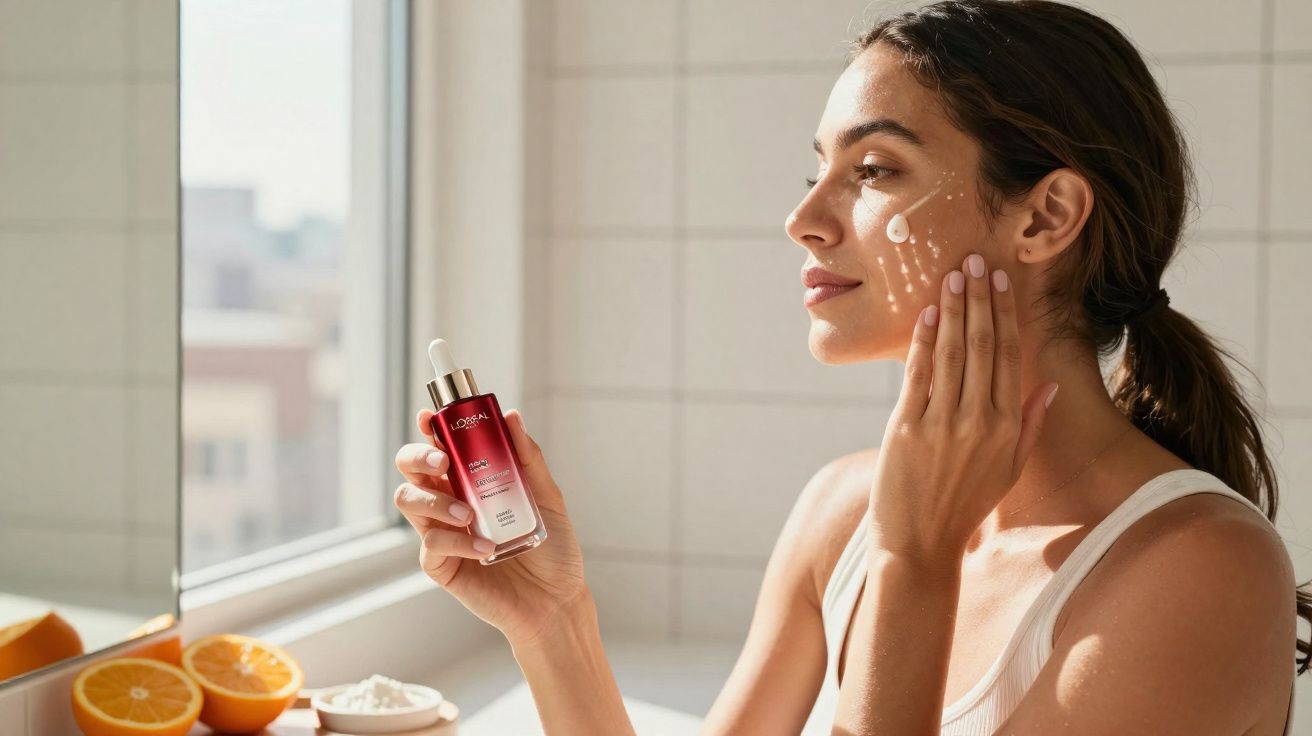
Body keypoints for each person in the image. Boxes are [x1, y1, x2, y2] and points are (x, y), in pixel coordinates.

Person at [392, 1, 1304, 733]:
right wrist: (555, 626)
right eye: (814, 171)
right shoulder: (842, 515)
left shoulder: (1201, 573)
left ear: (1045, 217)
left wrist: (915, 562)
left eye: (872, 169)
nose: (805, 219)